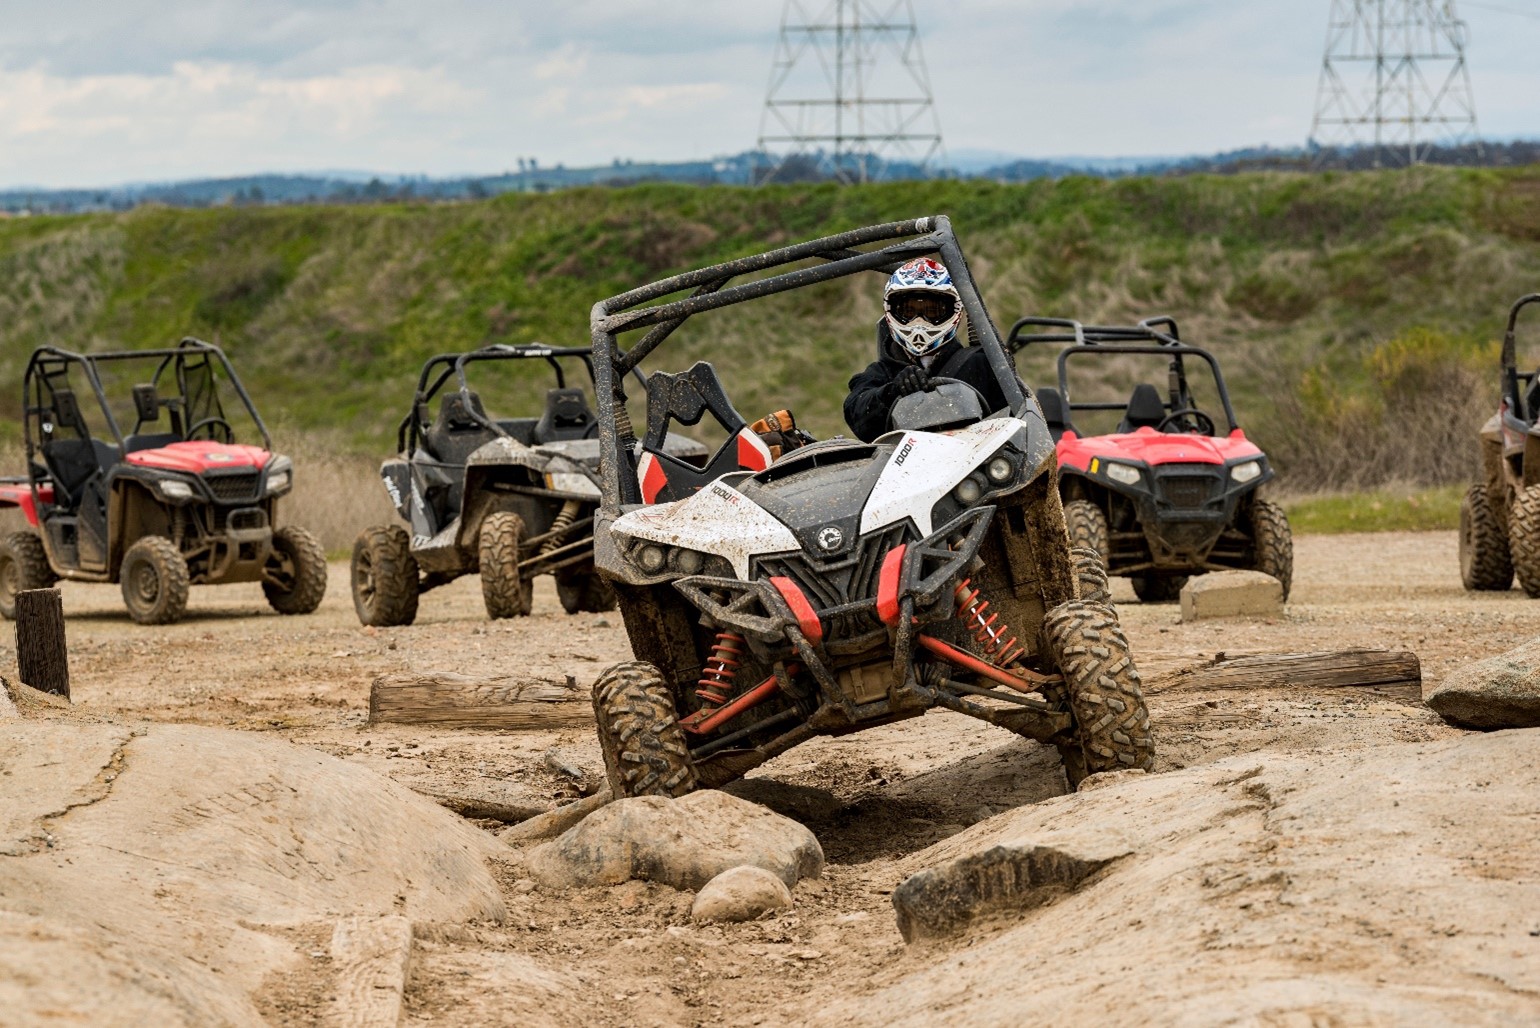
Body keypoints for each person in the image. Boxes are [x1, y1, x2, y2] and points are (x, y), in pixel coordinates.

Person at [843, 257, 1009, 442]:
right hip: (905, 466)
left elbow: (1017, 418)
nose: (919, 321)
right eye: (908, 311)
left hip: (976, 461)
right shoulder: (880, 374)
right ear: (891, 311)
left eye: (931, 311)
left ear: (953, 310)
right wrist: (893, 391)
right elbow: (856, 413)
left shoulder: (981, 363)